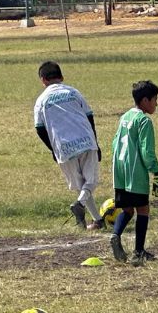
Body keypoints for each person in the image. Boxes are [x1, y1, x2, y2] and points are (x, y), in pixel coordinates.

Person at [33, 61, 105, 230]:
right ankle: (81, 205)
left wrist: (53, 148)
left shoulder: (41, 100)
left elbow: (39, 128)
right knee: (91, 181)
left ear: (43, 80)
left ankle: (97, 220)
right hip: (86, 140)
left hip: (63, 145)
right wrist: (96, 141)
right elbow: (89, 117)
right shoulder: (73, 92)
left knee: (81, 186)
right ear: (62, 77)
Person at [110, 80, 158, 266]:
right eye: (155, 99)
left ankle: (115, 235)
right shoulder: (144, 120)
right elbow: (146, 151)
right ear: (145, 100)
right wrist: (156, 172)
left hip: (120, 170)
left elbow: (115, 143)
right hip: (135, 172)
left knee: (127, 209)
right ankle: (138, 252)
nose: (156, 103)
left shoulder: (125, 117)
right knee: (143, 209)